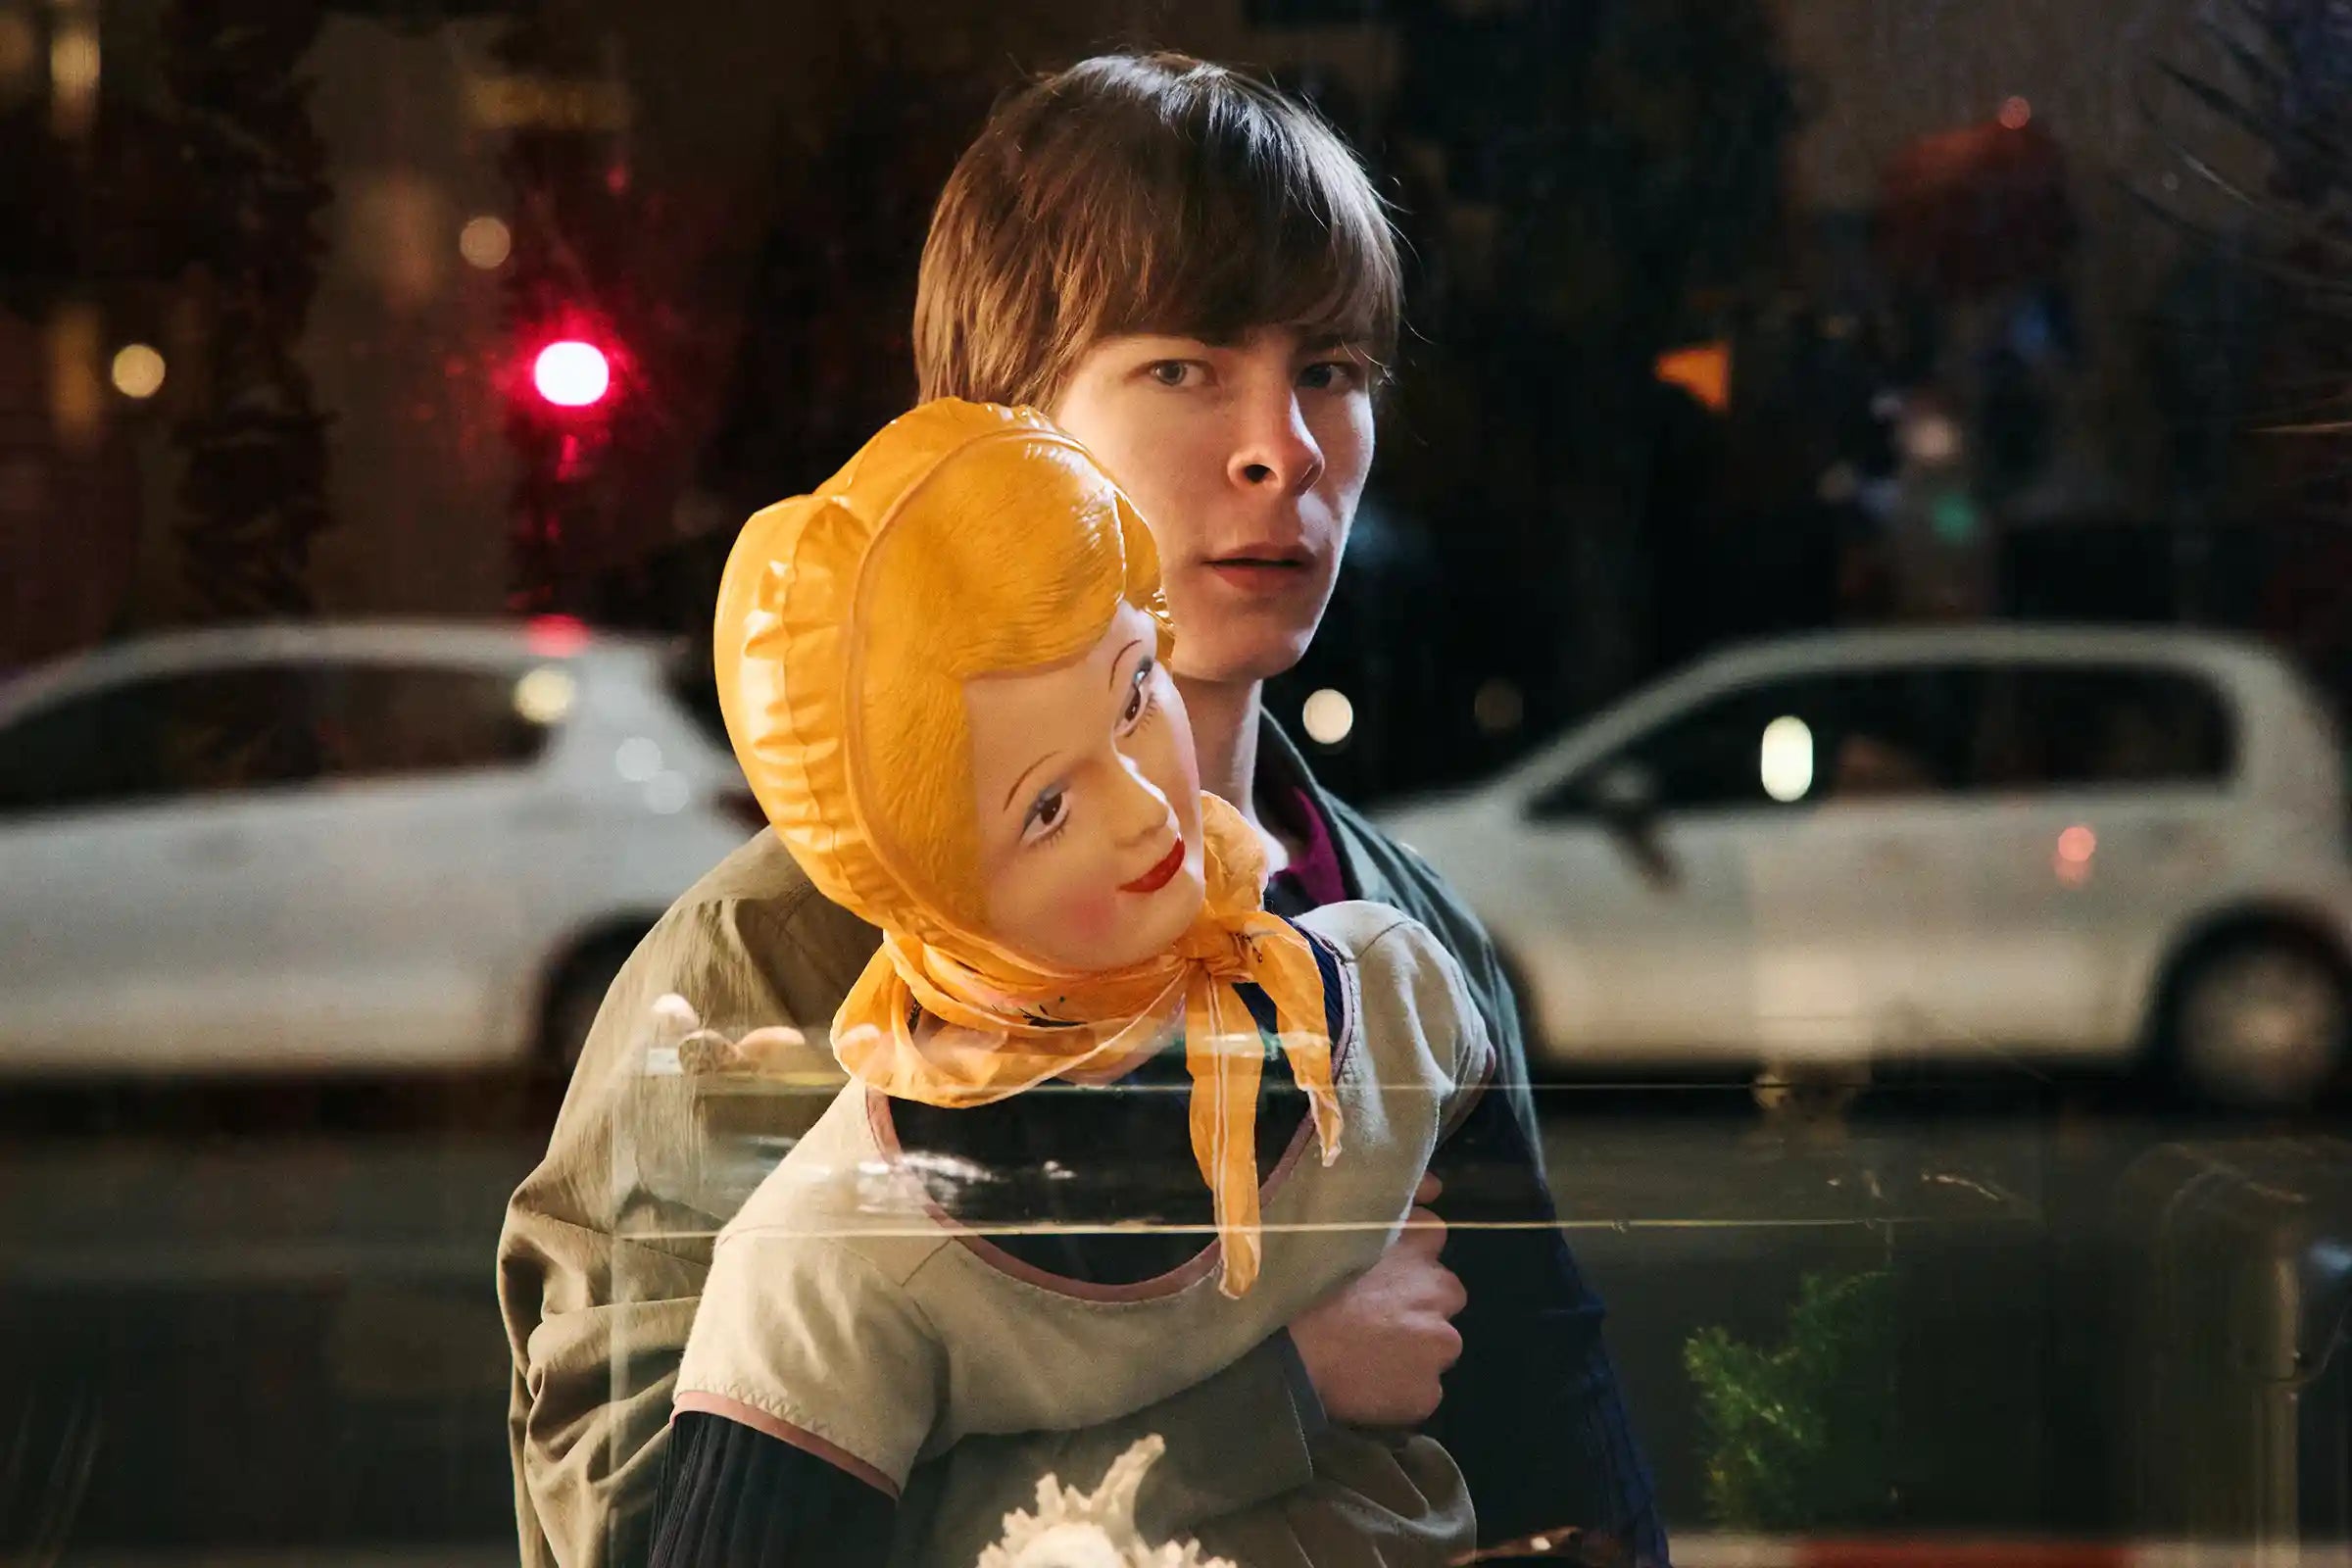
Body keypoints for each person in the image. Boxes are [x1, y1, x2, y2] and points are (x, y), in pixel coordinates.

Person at [498, 51, 1664, 1568]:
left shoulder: (1402, 938)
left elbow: (1566, 1472)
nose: (1285, 448)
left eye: (1330, 369)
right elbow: (650, 1535)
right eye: (1185, 367)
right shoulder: (763, 966)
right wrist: (1278, 1397)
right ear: (1000, 429)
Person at [653, 397, 1505, 1564]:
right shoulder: (834, 1258)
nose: (1146, 808)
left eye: (1136, 691)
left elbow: (1555, 1427)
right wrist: (1283, 1393)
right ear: (932, 881)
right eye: (1046, 805)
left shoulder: (1389, 993)